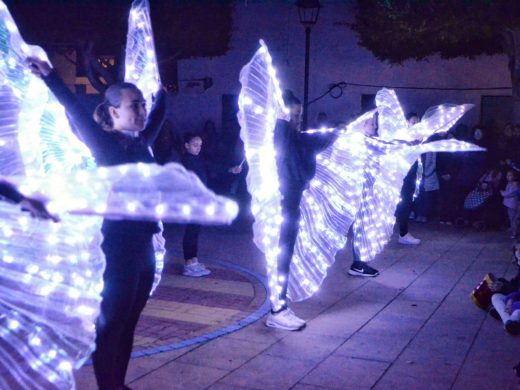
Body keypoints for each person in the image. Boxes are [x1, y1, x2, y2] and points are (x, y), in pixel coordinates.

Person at [28, 56, 166, 390]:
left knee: (129, 324)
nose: (142, 110)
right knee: (112, 327)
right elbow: (74, 109)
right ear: (113, 111)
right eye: (134, 105)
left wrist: (162, 90)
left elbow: (159, 112)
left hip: (144, 249)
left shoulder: (140, 143)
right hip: (118, 252)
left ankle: (118, 384)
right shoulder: (105, 146)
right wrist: (50, 77)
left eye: (142, 104)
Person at [266, 91, 336, 331]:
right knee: (280, 258)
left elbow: (312, 142)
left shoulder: (293, 138)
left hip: (291, 207)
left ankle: (280, 305)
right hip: (281, 208)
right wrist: (282, 120)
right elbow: (285, 148)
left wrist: (341, 132)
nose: (298, 119)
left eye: (300, 114)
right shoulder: (279, 137)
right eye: (294, 115)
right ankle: (277, 310)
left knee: (284, 258)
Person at [347, 114, 381, 277]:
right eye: (372, 123)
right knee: (361, 227)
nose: (375, 126)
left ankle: (360, 262)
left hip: (367, 190)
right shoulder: (358, 143)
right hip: (361, 191)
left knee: (364, 227)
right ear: (362, 124)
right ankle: (358, 264)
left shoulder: (368, 141)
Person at [394, 112, 421, 245]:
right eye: (414, 121)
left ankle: (403, 232)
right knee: (402, 203)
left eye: (418, 121)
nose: (416, 123)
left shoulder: (419, 138)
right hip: (401, 175)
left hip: (412, 175)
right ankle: (403, 233)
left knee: (406, 203)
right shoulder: (402, 136)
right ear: (407, 122)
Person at [501, 170, 520, 238]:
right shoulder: (509, 183)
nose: (508, 177)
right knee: (512, 218)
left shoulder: (515, 184)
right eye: (507, 175)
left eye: (510, 175)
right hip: (509, 204)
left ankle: (514, 232)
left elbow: (511, 193)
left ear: (514, 176)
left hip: (512, 204)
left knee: (513, 219)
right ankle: (513, 230)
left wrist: (503, 193)